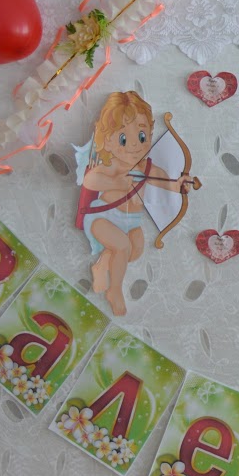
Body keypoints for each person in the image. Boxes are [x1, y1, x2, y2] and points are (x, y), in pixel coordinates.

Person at [75, 92, 187, 316]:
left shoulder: (146, 167)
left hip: (131, 221)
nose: (134, 145)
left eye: (142, 136)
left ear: (150, 134)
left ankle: (102, 265)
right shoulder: (113, 165)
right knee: (122, 246)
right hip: (102, 217)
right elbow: (90, 180)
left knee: (134, 251)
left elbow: (166, 183)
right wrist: (115, 182)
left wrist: (179, 185)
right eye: (124, 139)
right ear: (107, 141)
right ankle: (114, 291)